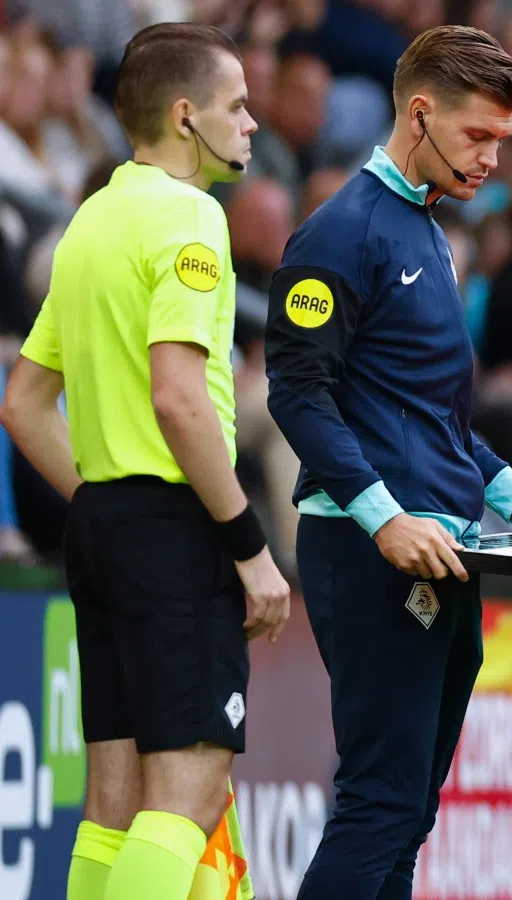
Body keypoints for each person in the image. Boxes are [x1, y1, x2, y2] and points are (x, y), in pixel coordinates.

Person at [262, 25, 512, 899]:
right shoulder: (339, 235)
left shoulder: (429, 231)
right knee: (380, 801)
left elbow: (432, 417)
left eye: (503, 141)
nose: (492, 160)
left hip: (447, 546)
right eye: (479, 135)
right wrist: (384, 519)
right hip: (371, 548)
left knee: (410, 809)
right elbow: (298, 396)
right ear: (419, 112)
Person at [0, 23, 286, 900]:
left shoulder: (89, 221)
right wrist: (248, 544)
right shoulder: (190, 215)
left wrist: (105, 497)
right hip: (171, 527)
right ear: (185, 115)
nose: (251, 124)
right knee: (184, 804)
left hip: (105, 529)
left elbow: (20, 403)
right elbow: (179, 398)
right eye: (236, 108)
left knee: (114, 808)